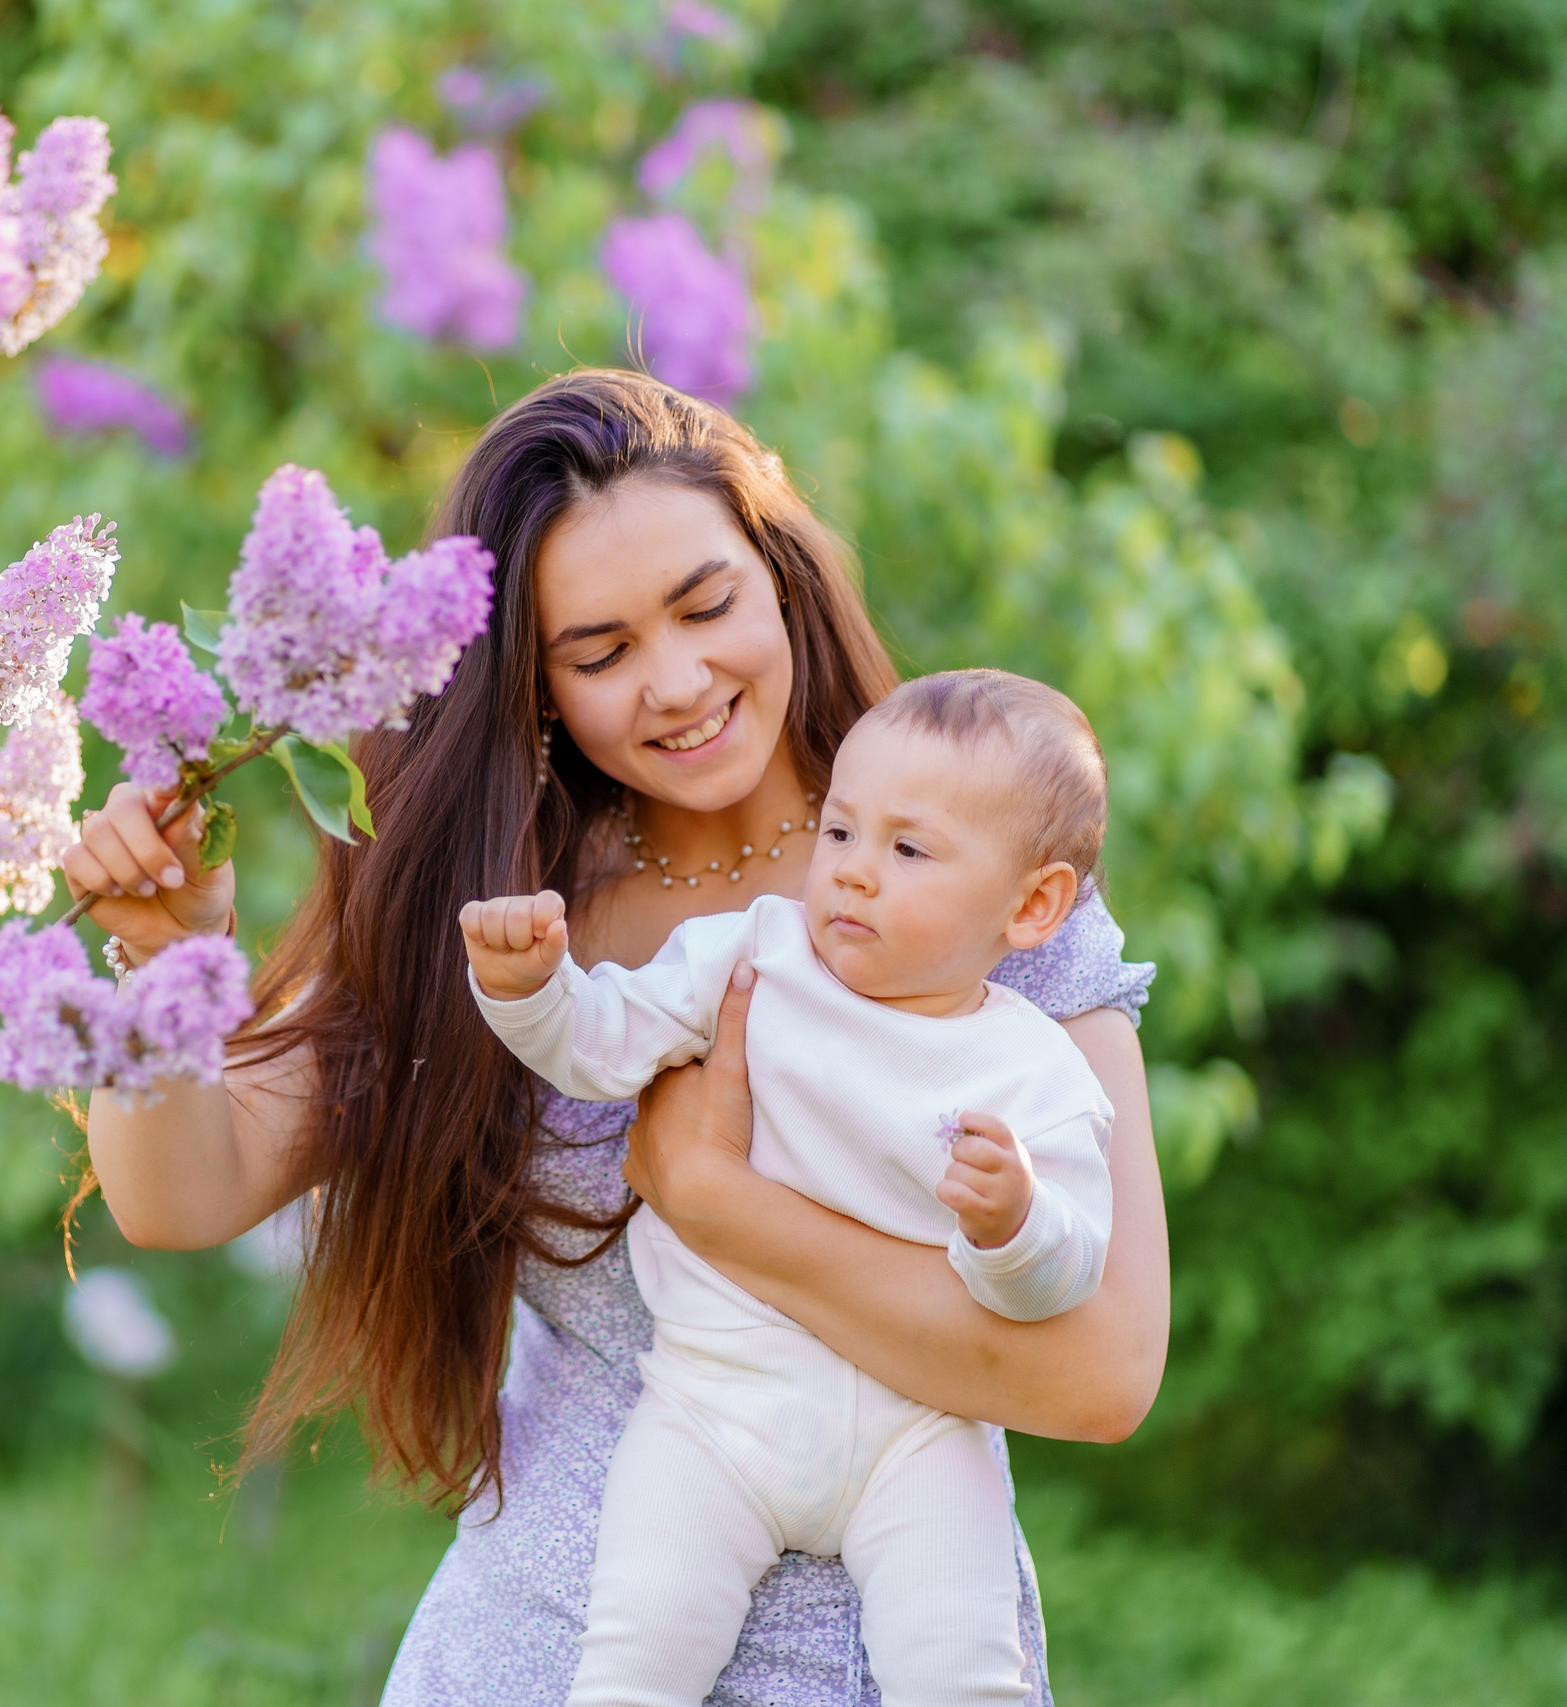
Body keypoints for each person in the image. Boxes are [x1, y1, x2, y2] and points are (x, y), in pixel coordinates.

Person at [66, 370, 1169, 1705]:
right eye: (601, 653)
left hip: (881, 1662)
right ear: (531, 684)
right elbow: (181, 1190)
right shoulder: (508, 920)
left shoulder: (977, 886)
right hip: (540, 1652)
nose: (681, 680)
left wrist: (714, 1198)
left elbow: (1101, 1372)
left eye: (708, 607)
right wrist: (165, 954)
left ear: (780, 580)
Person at [464, 670, 1120, 1706]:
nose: (854, 874)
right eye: (840, 835)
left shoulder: (1033, 1070)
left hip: (922, 1428)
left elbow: (1068, 1272)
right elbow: (597, 1046)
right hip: (713, 1406)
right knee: (635, 1658)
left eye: (907, 850)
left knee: (964, 1670)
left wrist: (1016, 1224)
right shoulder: (754, 956)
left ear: (1032, 904)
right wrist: (528, 992)